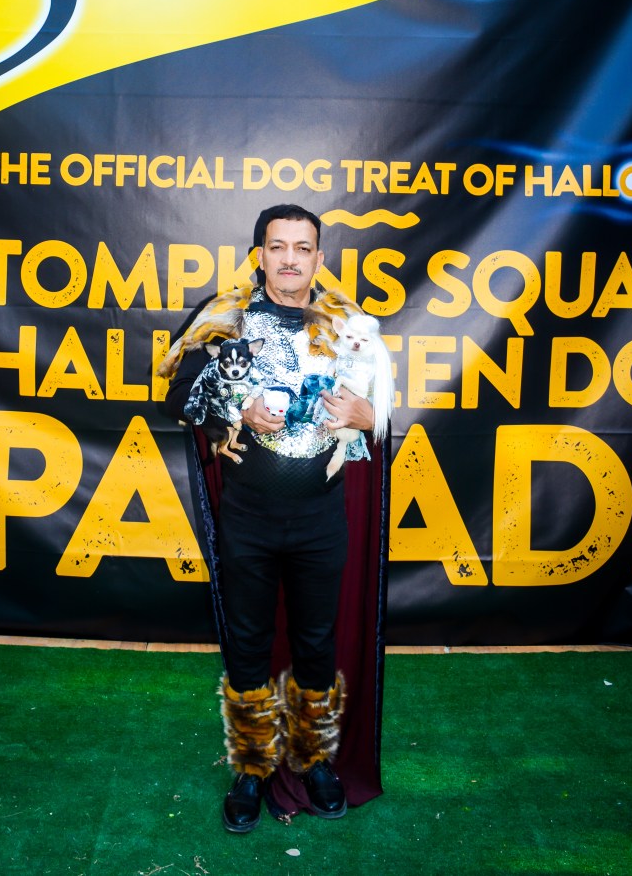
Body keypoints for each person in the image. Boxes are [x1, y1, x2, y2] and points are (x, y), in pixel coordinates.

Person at [160, 204, 390, 832]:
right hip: (249, 516)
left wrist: (370, 418)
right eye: (277, 246)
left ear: (319, 257)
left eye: (303, 247)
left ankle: (314, 761)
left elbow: (386, 411)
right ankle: (252, 766)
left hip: (321, 516)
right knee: (247, 644)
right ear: (259, 253)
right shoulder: (223, 319)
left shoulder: (350, 327)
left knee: (317, 643)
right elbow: (177, 394)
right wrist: (231, 408)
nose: (290, 258)